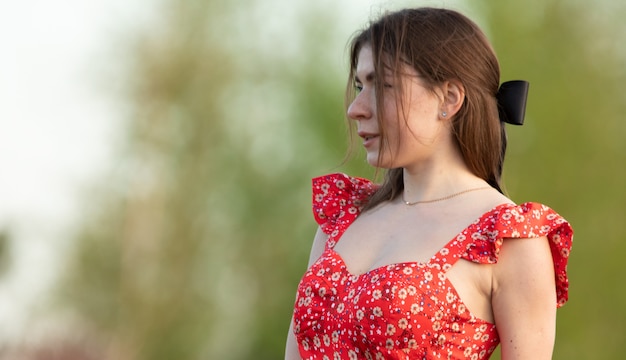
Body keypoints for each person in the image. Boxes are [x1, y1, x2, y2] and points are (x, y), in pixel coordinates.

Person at [285, 7, 573, 360]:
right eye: (361, 86)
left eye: (383, 85)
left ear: (449, 98)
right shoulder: (342, 219)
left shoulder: (507, 238)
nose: (356, 108)